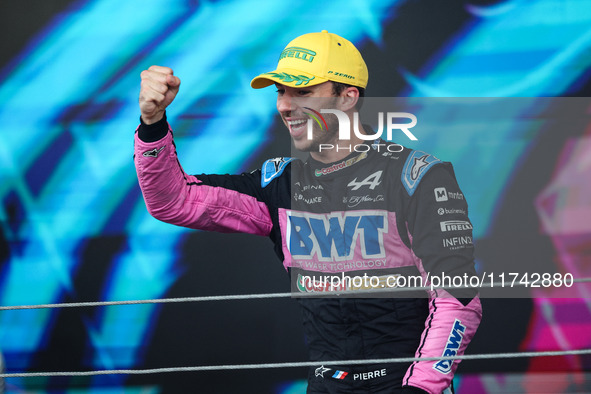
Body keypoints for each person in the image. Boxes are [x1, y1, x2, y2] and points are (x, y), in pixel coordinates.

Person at [135, 30, 482, 394]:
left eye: (302, 92)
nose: (284, 106)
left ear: (348, 98)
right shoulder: (277, 184)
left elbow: (458, 299)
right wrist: (153, 122)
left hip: (405, 386)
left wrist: (420, 389)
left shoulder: (417, 176)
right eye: (280, 92)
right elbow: (172, 201)